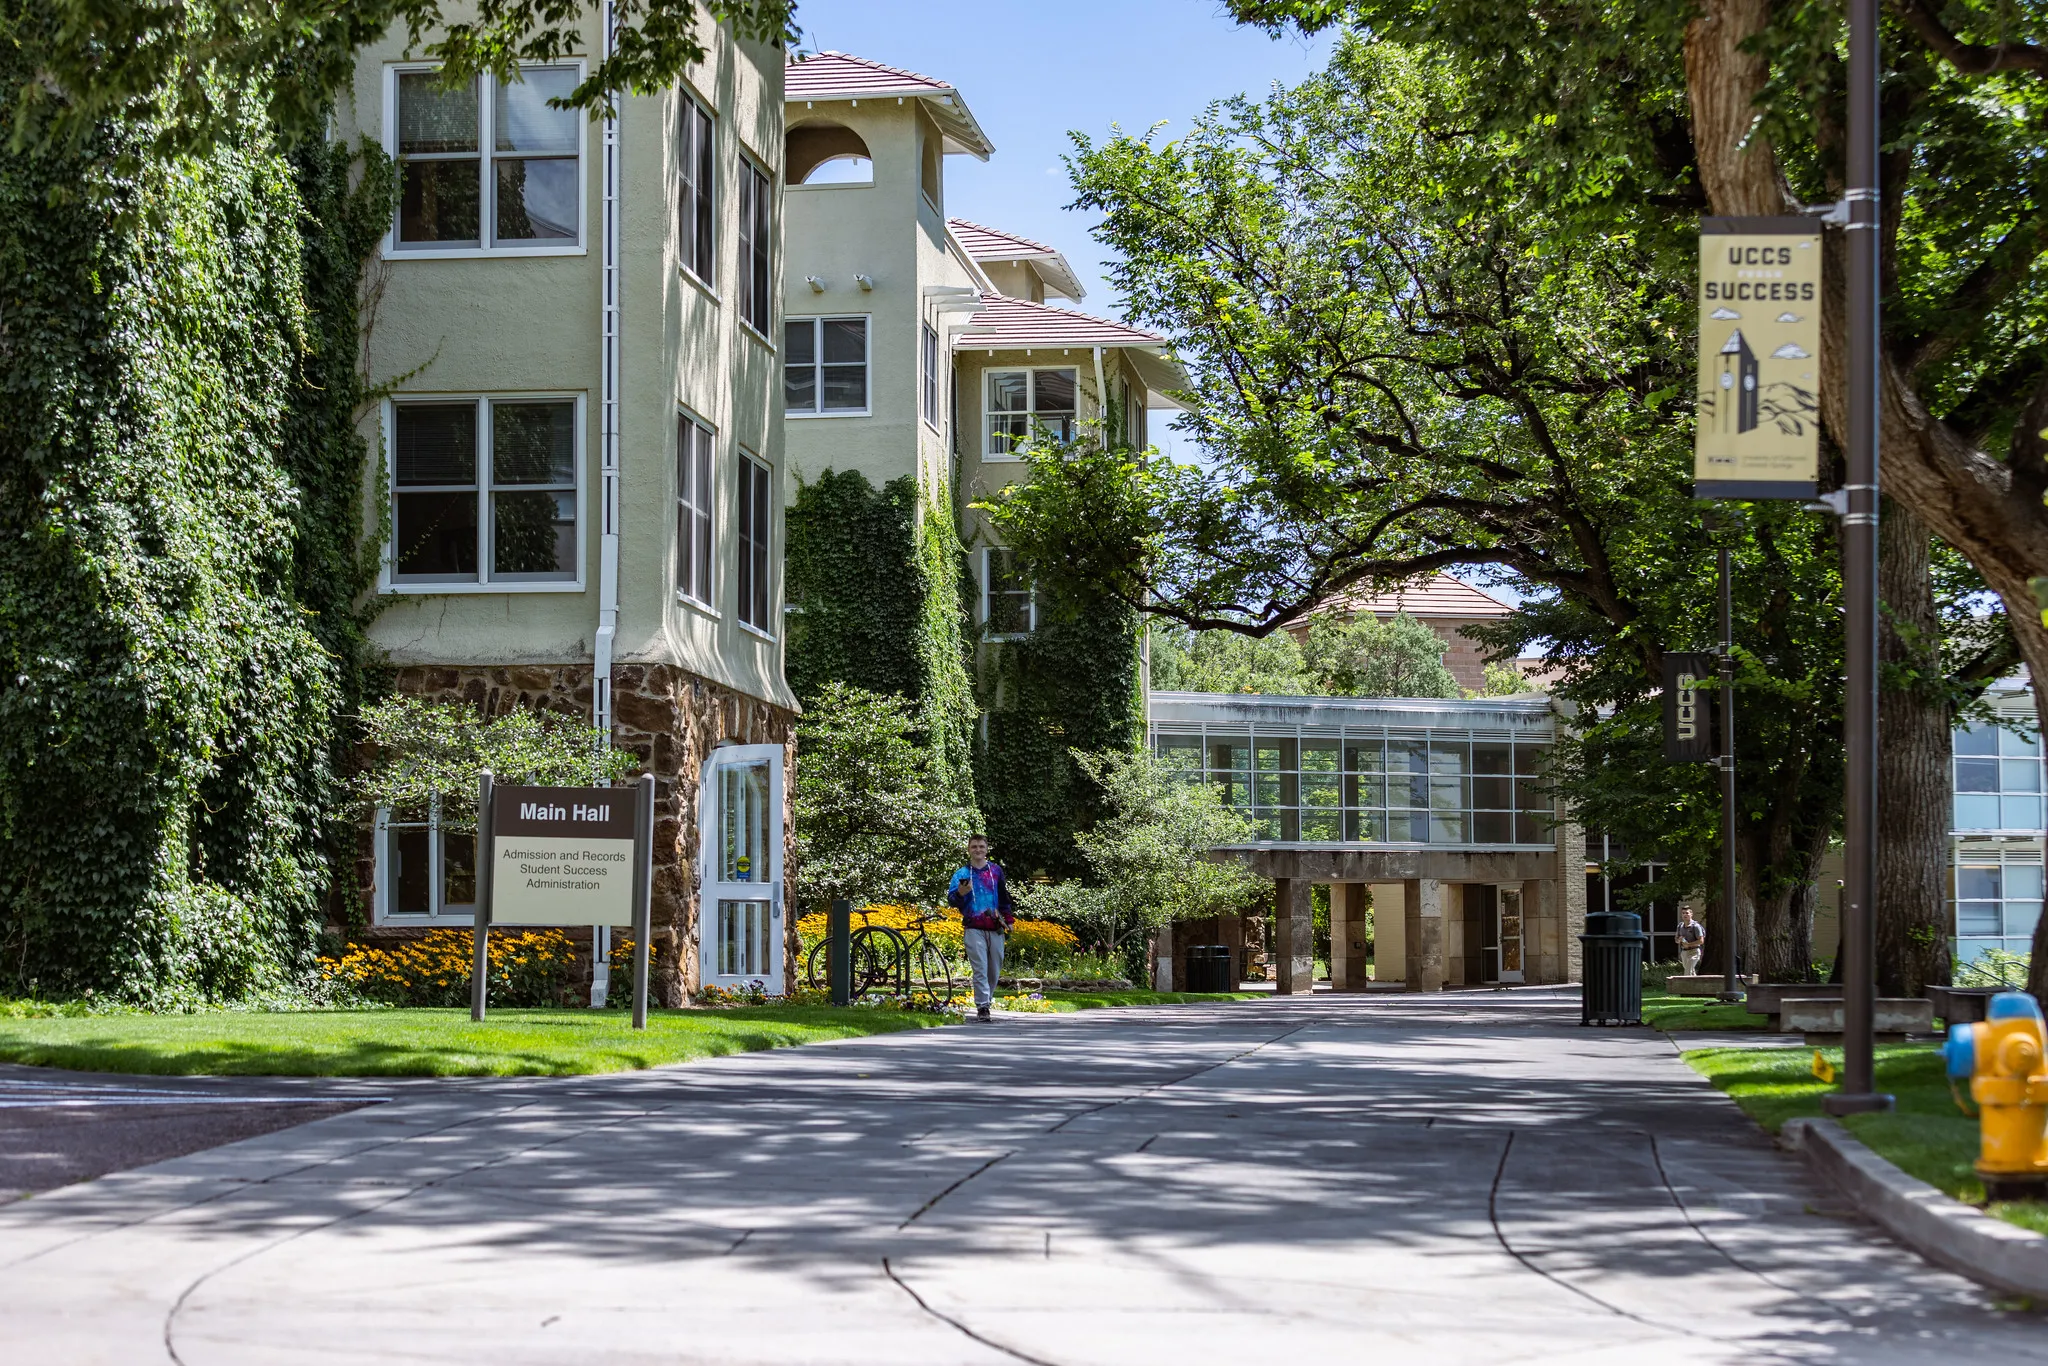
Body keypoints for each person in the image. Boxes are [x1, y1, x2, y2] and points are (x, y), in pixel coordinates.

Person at [947, 834, 1014, 1022]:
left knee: (994, 969)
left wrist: (1009, 920)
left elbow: (1003, 897)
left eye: (981, 846)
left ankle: (987, 1000)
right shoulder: (961, 874)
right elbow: (952, 900)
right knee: (980, 968)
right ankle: (983, 1006)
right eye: (974, 846)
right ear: (969, 849)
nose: (978, 850)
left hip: (995, 926)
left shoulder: (995, 871)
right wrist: (961, 894)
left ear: (986, 849)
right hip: (973, 927)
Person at [1676, 907, 1705, 975]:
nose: (1685, 915)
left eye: (1687, 913)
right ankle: (1696, 984)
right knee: (1691, 972)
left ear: (1691, 914)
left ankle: (1685, 985)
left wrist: (1689, 944)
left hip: (1694, 952)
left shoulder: (1696, 926)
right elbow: (1676, 940)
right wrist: (1679, 940)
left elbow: (1701, 941)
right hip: (1684, 952)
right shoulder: (1680, 926)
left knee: (1687, 971)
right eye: (1683, 913)